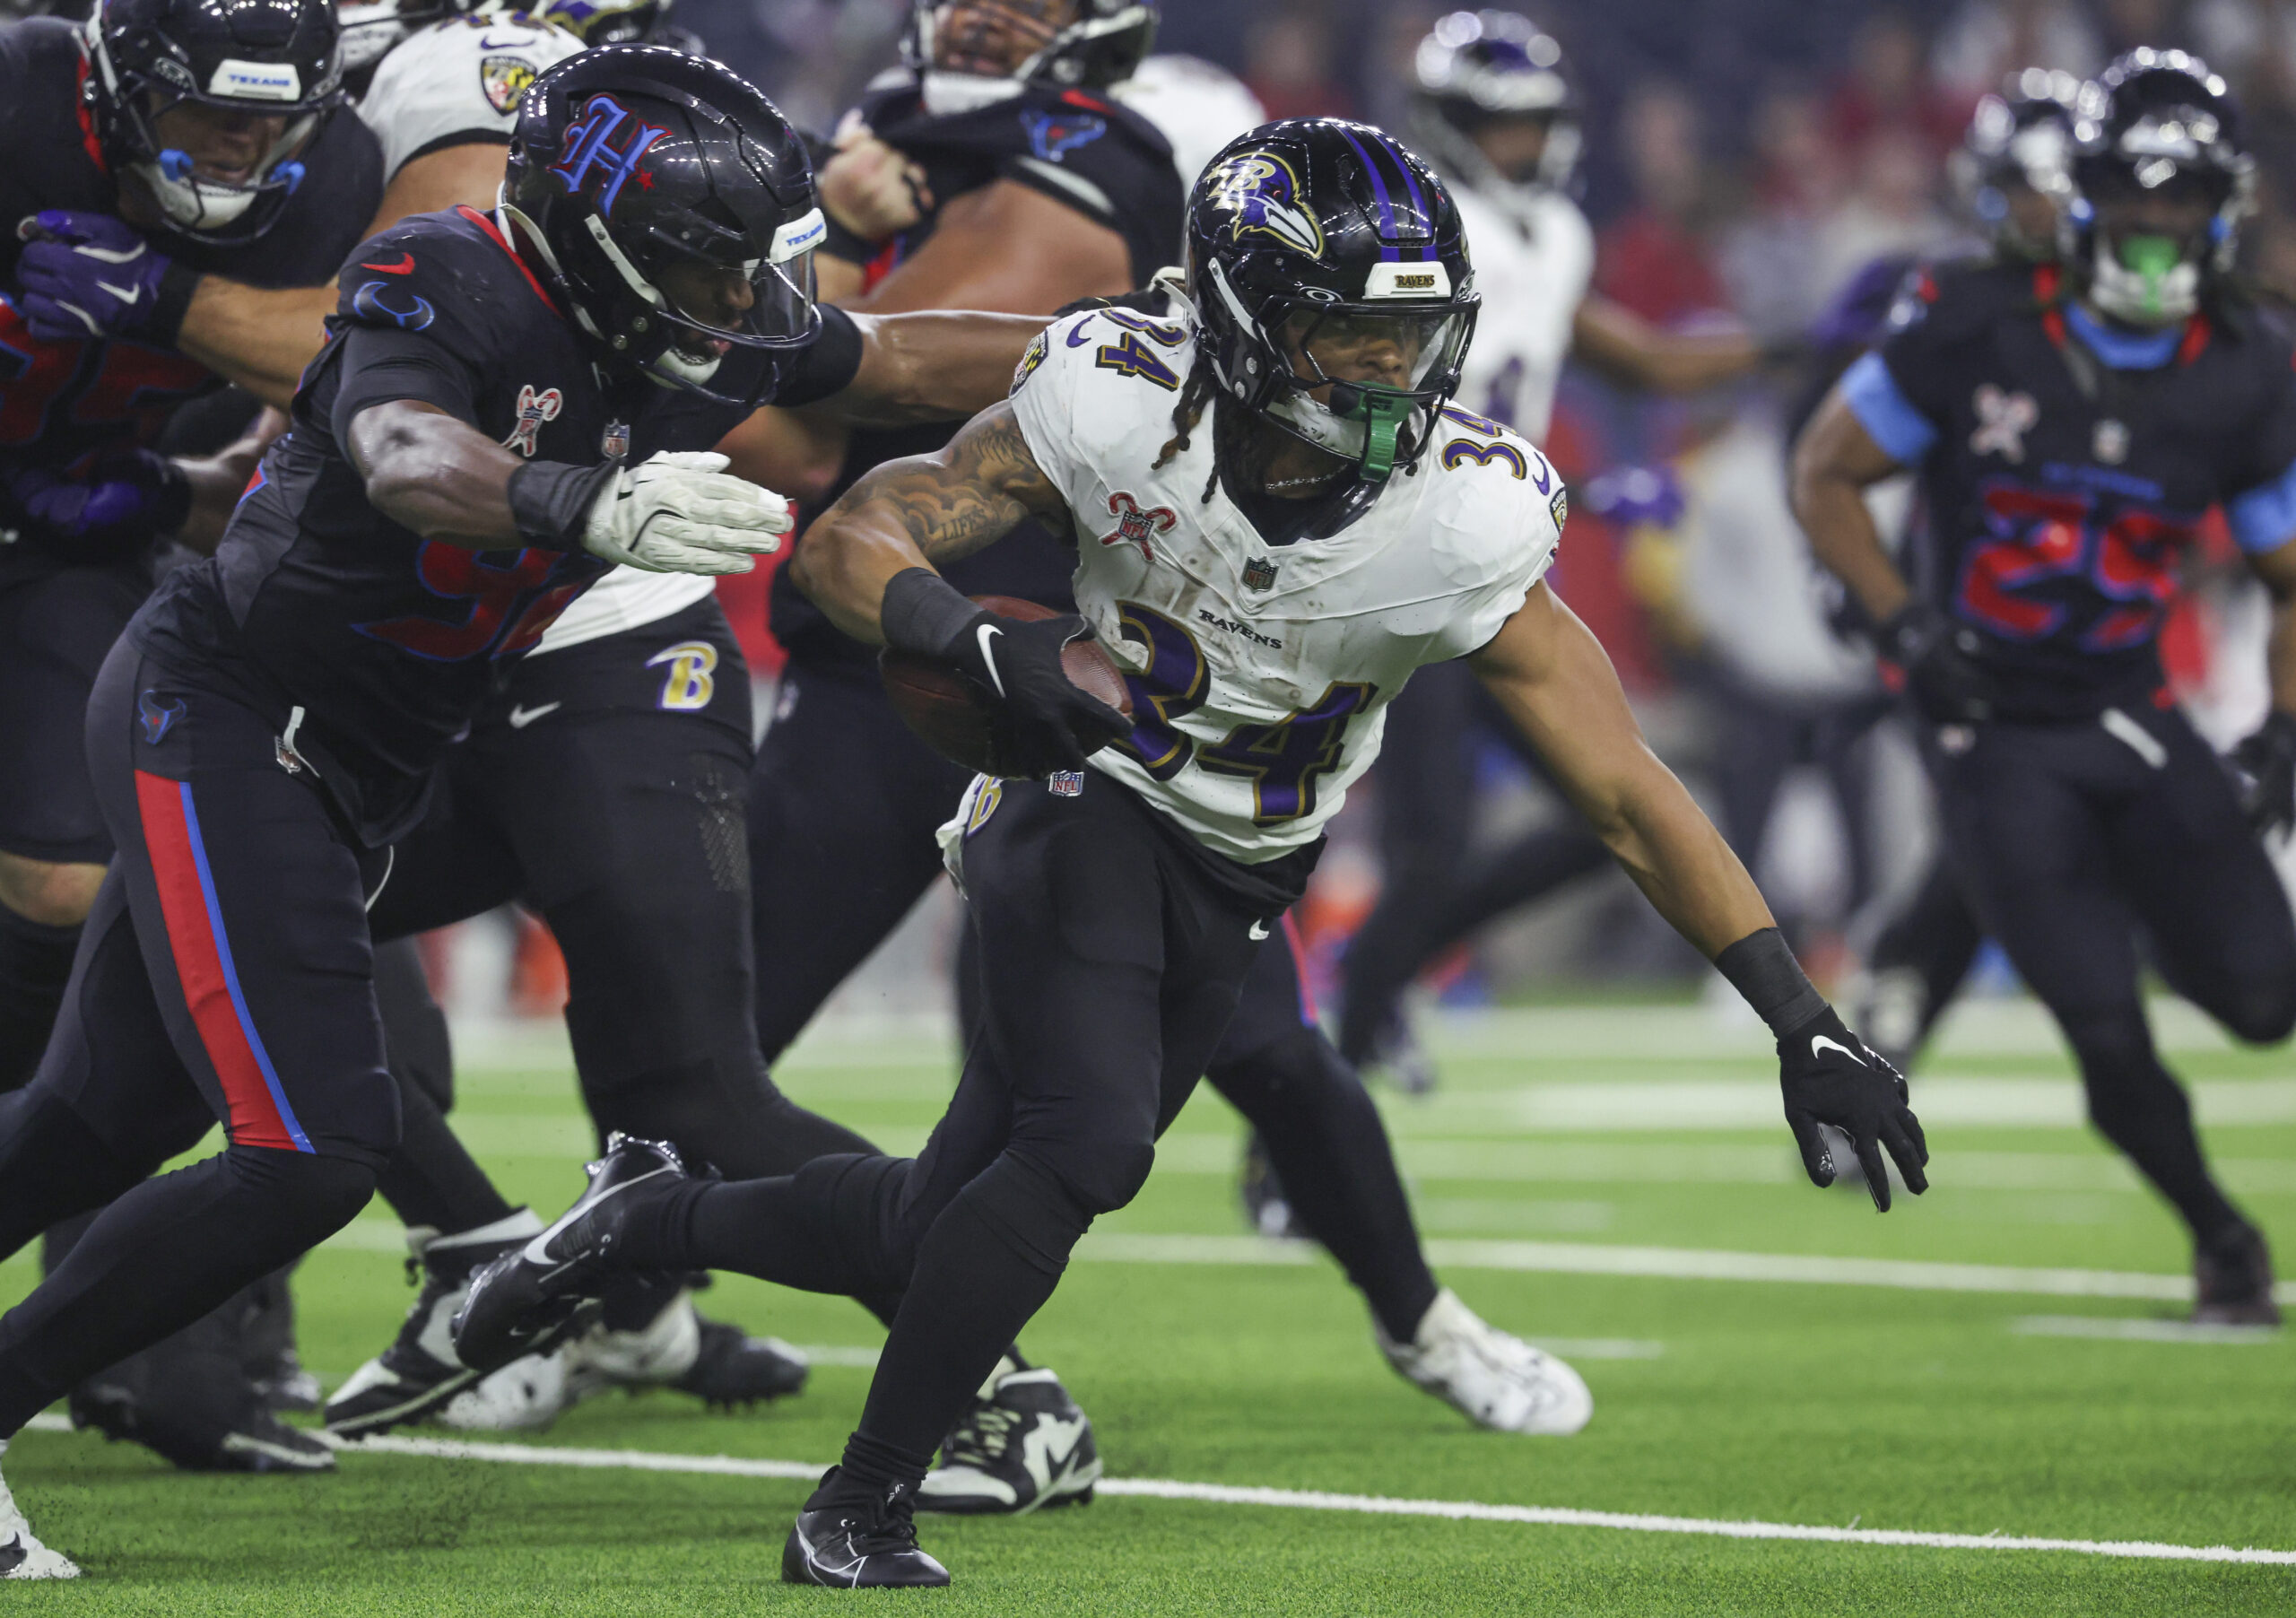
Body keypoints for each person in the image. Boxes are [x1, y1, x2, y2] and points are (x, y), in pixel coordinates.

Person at [457, 117, 1929, 1589]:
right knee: (1088, 1145)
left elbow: (1625, 790)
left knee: (930, 1220)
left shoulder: (1464, 515)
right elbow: (863, 532)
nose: (1389, 371)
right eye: (1350, 331)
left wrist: (1805, 1019)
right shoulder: (1117, 396)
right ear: (1240, 317)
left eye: (1414, 335)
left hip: (1242, 868)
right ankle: (859, 1502)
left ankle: (643, 1215)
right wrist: (965, 632)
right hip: (1080, 791)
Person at [0, 45, 1048, 1578]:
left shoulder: (683, 310)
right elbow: (403, 451)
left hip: (362, 754)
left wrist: (1131, 347)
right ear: (600, 228)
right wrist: (584, 502)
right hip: (231, 716)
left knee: (104, 1116)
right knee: (309, 1149)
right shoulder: (446, 271)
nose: (734, 296)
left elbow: (885, 358)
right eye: (700, 256)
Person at [745, 1, 1591, 1518]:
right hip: (964, 660)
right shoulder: (896, 139)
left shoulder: (1156, 149)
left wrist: (815, 312)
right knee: (770, 1035)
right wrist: (809, 274)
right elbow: (910, 386)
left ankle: (1412, 1317)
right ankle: (651, 1268)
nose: (1001, 19)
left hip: (1146, 688)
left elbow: (972, 346)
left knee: (1237, 1059)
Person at [1792, 50, 2296, 1326]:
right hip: (1991, 723)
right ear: (2084, 196)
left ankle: (2125, 895)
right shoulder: (1978, 323)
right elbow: (1828, 472)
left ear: (2225, 205)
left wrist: (2286, 721)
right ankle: (2224, 1239)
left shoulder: (2247, 363)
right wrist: (1908, 630)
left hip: (2133, 710)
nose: (2158, 224)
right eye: (2137, 192)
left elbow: (2291, 573)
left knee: (2261, 998)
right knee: (2104, 1034)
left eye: (2185, 201)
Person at [0, 0, 384, 1474]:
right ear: (109, 88)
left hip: (83, 523)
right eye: (204, 113)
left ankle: (99, 1277)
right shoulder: (22, 100)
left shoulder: (337, 170)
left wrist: (162, 327)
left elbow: (349, 363)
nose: (239, 145)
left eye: (265, 118)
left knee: (65, 889)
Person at [1334, 10, 1772, 1093]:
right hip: (1393, 564)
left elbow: (1651, 362)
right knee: (1396, 850)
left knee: (1601, 811)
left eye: (1534, 125)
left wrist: (1819, 341)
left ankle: (1372, 986)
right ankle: (1325, 1073)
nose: (1523, 145)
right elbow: (1389, 414)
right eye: (1501, 124)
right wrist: (1573, 485)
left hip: (1496, 578)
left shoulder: (1553, 237)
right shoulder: (1410, 233)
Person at [1847, 78, 2077, 1074]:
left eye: (2058, 187)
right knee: (2005, 833)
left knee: (2009, 842)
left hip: (2081, 619)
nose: (2040, 210)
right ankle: (1890, 1003)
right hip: (1956, 613)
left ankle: (1893, 996)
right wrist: (1877, 599)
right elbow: (1842, 448)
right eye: (2022, 187)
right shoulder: (1942, 297)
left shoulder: (2123, 312)